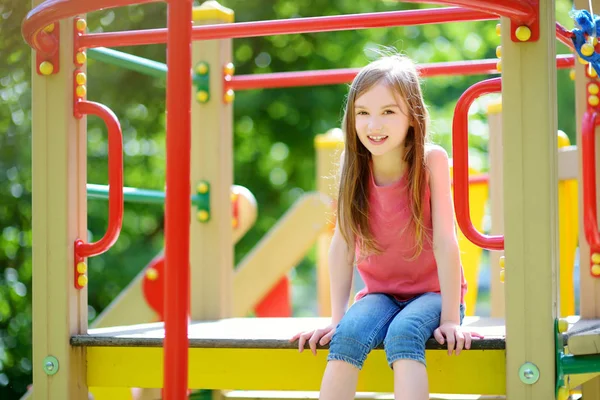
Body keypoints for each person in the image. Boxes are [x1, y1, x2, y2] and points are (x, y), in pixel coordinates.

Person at [290, 53, 482, 400]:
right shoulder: (354, 163)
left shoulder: (430, 161)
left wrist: (451, 318)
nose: (373, 125)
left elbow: (445, 242)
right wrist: (336, 317)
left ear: (412, 116)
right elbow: (343, 244)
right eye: (362, 113)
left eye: (388, 112)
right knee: (348, 334)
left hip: (434, 295)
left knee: (404, 332)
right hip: (380, 295)